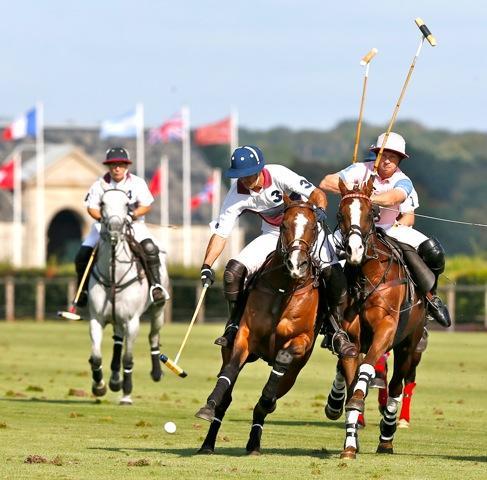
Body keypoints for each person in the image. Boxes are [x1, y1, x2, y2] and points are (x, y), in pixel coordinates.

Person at [200, 145, 358, 358]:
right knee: (233, 272)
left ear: (259, 169)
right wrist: (207, 266)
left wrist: (319, 212)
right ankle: (234, 326)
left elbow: (316, 193)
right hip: (273, 235)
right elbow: (221, 233)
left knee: (334, 274)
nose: (244, 180)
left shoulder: (279, 174)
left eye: (248, 175)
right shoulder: (236, 193)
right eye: (240, 176)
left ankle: (336, 331)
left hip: (306, 232)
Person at [319, 132, 451, 327]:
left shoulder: (403, 180)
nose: (388, 161)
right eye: (384, 156)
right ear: (376, 155)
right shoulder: (359, 169)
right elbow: (326, 182)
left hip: (390, 229)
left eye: (394, 157)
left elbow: (395, 198)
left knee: (433, 250)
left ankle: (431, 298)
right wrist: (350, 190)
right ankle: (320, 305)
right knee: (319, 252)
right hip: (354, 228)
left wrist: (364, 198)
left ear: (400, 160)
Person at [74, 147, 167, 307]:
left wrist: (131, 215)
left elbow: (146, 205)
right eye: (113, 164)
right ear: (108, 166)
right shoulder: (100, 185)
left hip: (134, 225)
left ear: (126, 166)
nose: (117, 168)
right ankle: (82, 291)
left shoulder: (137, 183)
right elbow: (91, 207)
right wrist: (104, 219)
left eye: (121, 164)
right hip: (103, 227)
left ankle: (155, 287)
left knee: (150, 248)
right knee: (82, 254)